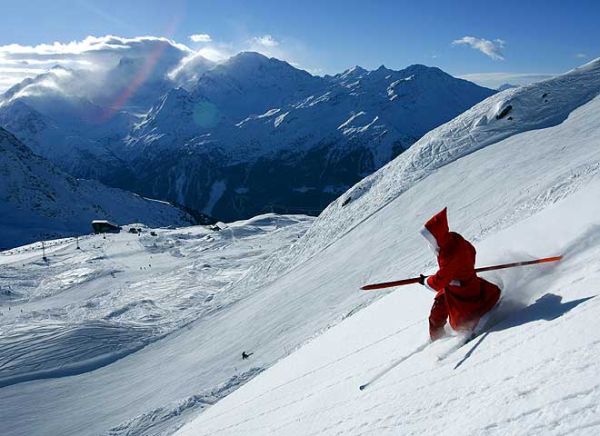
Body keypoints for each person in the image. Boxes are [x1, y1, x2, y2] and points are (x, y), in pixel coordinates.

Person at [418, 208, 501, 341]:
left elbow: (439, 282)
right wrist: (464, 269)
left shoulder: (448, 254)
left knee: (463, 316)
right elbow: (471, 251)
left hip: (461, 291)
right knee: (438, 309)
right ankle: (437, 338)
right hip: (457, 284)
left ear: (436, 237)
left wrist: (426, 281)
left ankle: (462, 332)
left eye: (430, 239)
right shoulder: (453, 238)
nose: (429, 243)